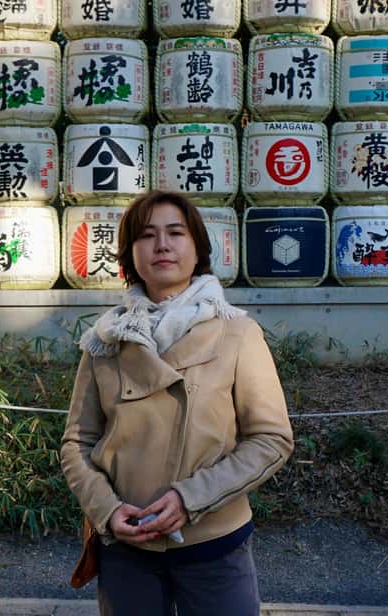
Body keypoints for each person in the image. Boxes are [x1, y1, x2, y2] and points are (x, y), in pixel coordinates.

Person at [60, 191, 295, 615]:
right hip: (127, 545)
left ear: (198, 247)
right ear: (131, 254)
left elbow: (270, 439)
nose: (162, 245)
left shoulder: (237, 334)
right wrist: (107, 511)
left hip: (214, 543)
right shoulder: (105, 339)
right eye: (147, 235)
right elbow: (77, 443)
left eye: (175, 233)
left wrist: (190, 499)